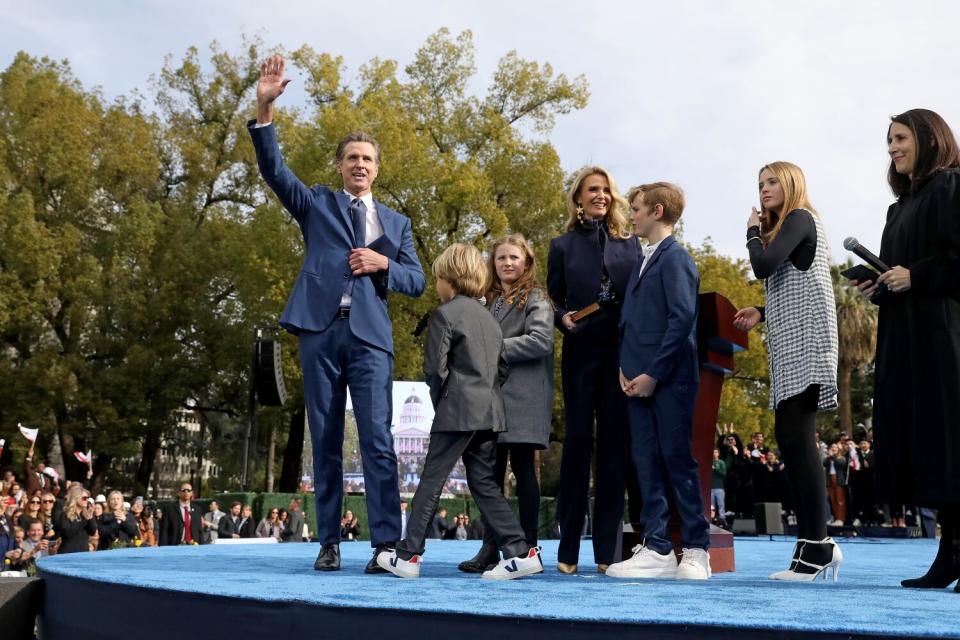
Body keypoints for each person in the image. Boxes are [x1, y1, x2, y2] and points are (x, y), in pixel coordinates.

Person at [249, 54, 425, 574]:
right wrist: (264, 108)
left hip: (370, 339)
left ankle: (385, 546)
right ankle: (328, 541)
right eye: (351, 158)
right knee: (322, 439)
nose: (360, 165)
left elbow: (416, 281)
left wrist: (382, 262)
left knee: (376, 441)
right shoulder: (318, 204)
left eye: (367, 159)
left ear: (377, 168)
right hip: (320, 332)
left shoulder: (397, 223)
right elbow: (274, 172)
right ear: (340, 166)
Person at [377, 244, 543, 580]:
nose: (436, 285)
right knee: (484, 483)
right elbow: (503, 369)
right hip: (491, 411)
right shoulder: (491, 320)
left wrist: (443, 402)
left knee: (432, 480)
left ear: (449, 278)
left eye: (438, 278)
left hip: (457, 409)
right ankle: (520, 550)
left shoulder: (444, 315)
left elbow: (434, 371)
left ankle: (408, 556)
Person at [854, 109, 960, 590]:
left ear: (927, 137)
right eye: (888, 141)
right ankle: (951, 550)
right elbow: (901, 268)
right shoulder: (898, 209)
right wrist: (880, 282)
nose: (893, 148)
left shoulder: (951, 186)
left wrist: (917, 276)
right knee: (926, 443)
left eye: (900, 138)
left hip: (942, 334)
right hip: (905, 338)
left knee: (949, 439)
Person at [733, 161, 841, 581]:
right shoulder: (790, 227)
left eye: (772, 181)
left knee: (799, 441)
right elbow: (788, 275)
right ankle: (810, 544)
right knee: (791, 441)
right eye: (760, 183)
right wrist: (762, 310)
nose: (764, 189)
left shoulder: (799, 217)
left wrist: (750, 233)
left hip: (807, 343)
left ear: (792, 183)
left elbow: (763, 264)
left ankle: (818, 544)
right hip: (790, 343)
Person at [606, 182, 710, 580]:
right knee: (644, 461)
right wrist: (625, 367)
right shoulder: (643, 260)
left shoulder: (676, 258)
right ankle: (658, 547)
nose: (631, 215)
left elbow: (682, 320)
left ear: (658, 211)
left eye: (635, 208)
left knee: (676, 460)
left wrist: (653, 374)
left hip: (670, 380)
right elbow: (630, 323)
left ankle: (697, 549)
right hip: (634, 380)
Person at [547, 166, 640, 574]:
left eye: (605, 190)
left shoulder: (630, 245)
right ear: (578, 199)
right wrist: (560, 318)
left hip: (620, 353)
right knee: (578, 443)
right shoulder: (562, 245)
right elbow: (549, 296)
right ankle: (568, 549)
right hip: (580, 350)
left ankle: (608, 552)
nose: (600, 195)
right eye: (592, 190)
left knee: (615, 449)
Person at [460, 234, 554, 573]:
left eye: (514, 257)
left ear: (526, 262)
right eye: (501, 258)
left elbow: (541, 340)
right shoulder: (487, 299)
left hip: (525, 397)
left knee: (524, 470)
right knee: (490, 474)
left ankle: (528, 546)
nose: (507, 263)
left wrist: (492, 349)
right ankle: (491, 547)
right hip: (492, 398)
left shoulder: (537, 297)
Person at [53, 485, 96, 554]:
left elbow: (92, 532)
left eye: (88, 498)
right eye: (84, 498)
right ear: (76, 498)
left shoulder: (85, 514)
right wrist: (85, 520)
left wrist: (90, 518)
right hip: (68, 553)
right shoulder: (65, 514)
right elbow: (68, 533)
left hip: (83, 552)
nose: (87, 500)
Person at [824, 443, 849, 526]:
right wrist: (829, 456)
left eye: (835, 447)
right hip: (830, 480)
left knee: (840, 500)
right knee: (833, 500)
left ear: (838, 449)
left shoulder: (841, 458)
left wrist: (833, 457)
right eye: (832, 447)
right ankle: (836, 518)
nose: (833, 448)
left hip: (838, 480)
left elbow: (840, 464)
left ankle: (841, 519)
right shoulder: (829, 458)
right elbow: (824, 463)